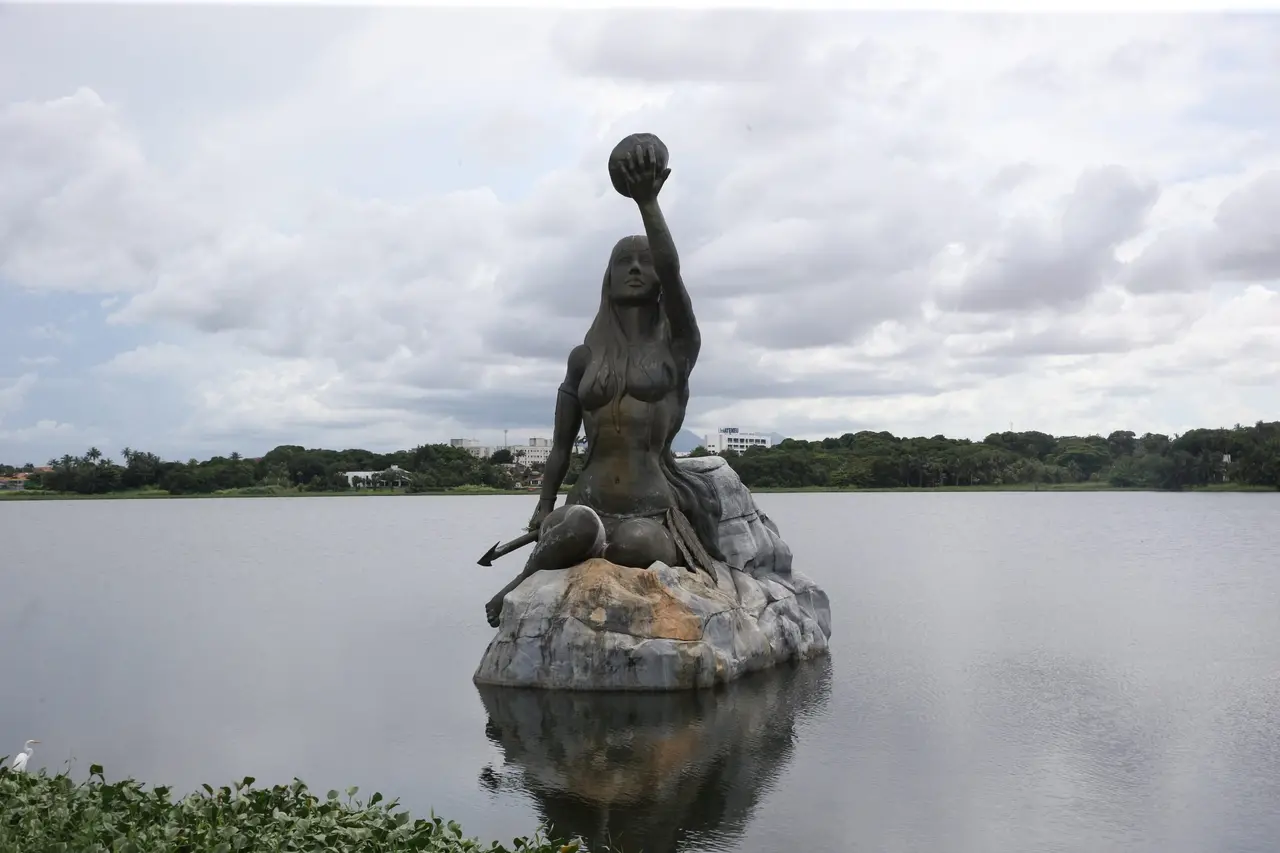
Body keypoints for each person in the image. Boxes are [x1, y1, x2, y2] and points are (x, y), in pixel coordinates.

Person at [485, 142, 725, 627]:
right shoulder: (584, 358)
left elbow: (675, 274)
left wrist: (647, 202)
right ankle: (518, 584)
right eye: (624, 262)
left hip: (653, 507)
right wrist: (544, 506)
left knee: (635, 544)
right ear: (608, 277)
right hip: (588, 497)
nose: (636, 269)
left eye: (645, 262)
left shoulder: (677, 348)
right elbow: (559, 447)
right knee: (572, 528)